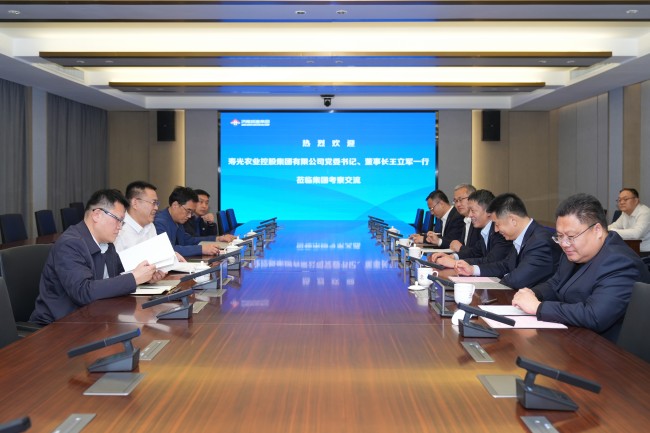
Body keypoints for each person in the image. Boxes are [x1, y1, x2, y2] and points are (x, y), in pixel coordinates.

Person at [513, 193, 650, 342]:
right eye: (560, 236)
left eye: (571, 236)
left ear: (597, 230)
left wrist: (539, 307)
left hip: (607, 348)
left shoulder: (621, 263)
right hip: (575, 336)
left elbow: (595, 316)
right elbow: (555, 283)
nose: (564, 244)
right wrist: (533, 293)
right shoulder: (574, 252)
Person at [30, 189, 158, 325]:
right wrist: (134, 278)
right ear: (97, 215)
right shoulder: (70, 244)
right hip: (59, 325)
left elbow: (120, 273)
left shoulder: (107, 243)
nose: (120, 227)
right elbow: (83, 292)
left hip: (93, 318)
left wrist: (146, 276)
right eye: (118, 220)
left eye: (122, 222)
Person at [455, 192, 561, 289]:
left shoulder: (540, 242)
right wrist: (472, 269)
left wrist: (486, 285)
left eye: (497, 224)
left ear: (513, 220)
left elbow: (517, 280)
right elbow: (505, 265)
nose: (496, 230)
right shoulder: (524, 236)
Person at [429, 189, 512, 267]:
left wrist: (456, 263)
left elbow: (491, 261)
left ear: (488, 211)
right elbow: (474, 253)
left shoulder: (500, 232)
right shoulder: (485, 230)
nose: (470, 215)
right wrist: (452, 257)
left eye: (473, 211)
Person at [154, 186, 235, 257]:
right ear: (175, 205)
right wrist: (201, 249)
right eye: (188, 211)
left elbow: (189, 240)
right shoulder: (159, 222)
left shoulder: (177, 219)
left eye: (191, 212)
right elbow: (167, 250)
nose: (189, 216)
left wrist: (217, 239)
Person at [608, 188, 650, 257]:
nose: (621, 202)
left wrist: (611, 231)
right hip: (632, 249)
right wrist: (604, 229)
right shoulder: (625, 213)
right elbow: (614, 226)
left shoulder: (645, 212)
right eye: (619, 200)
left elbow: (637, 234)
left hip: (645, 252)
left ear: (636, 200)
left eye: (625, 199)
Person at [448, 183, 479, 254]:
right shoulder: (465, 219)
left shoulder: (479, 222)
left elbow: (479, 253)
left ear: (473, 198)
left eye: (460, 199)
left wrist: (460, 248)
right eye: (455, 201)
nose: (458, 204)